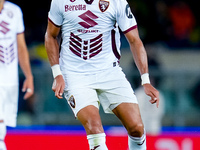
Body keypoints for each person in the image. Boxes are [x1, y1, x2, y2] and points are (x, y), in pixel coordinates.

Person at [45, 0, 159, 149]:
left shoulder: (117, 2)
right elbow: (51, 36)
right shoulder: (61, 2)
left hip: (109, 72)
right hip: (75, 75)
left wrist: (145, 80)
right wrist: (57, 73)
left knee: (137, 128)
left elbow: (134, 40)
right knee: (94, 129)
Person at [0, 0, 34, 150]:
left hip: (9, 78)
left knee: (2, 125)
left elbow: (21, 46)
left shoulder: (14, 11)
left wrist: (29, 76)